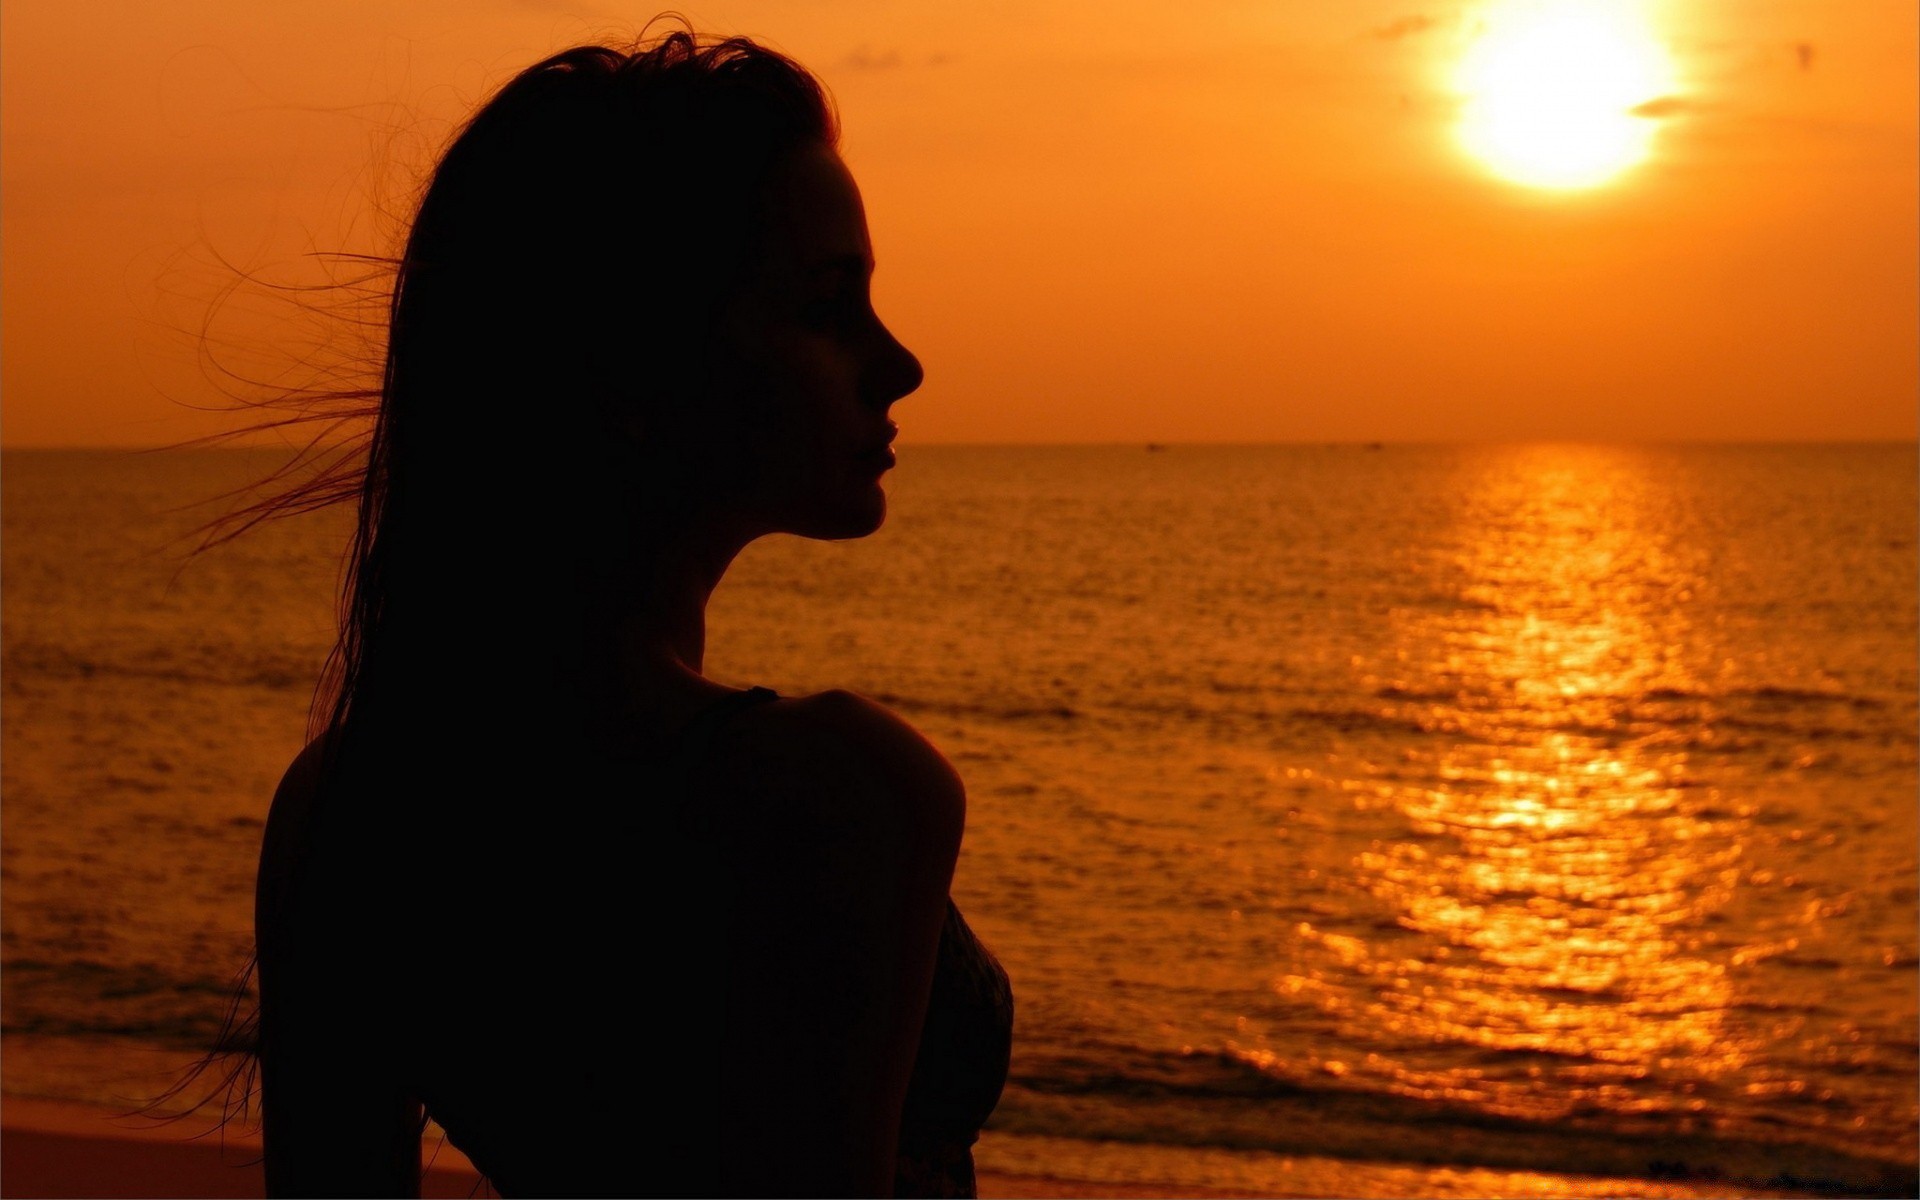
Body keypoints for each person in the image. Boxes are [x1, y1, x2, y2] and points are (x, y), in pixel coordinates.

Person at [245, 28, 1012, 1198]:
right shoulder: (841, 793)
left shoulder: (349, 809)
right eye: (824, 309)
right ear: (641, 370)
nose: (897, 363)